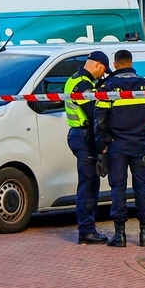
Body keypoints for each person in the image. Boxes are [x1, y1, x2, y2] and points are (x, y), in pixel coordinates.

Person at [95, 49, 145, 248]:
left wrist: (101, 147)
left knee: (118, 189)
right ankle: (144, 234)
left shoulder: (108, 87)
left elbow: (100, 121)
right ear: (131, 62)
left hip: (117, 146)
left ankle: (120, 235)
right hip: (139, 144)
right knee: (142, 188)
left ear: (115, 64)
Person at [64, 50, 111, 245]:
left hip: (79, 135)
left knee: (89, 184)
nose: (103, 75)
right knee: (88, 185)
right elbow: (93, 113)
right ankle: (86, 230)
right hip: (84, 137)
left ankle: (87, 228)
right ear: (98, 64)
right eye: (104, 71)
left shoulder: (76, 79)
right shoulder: (83, 85)